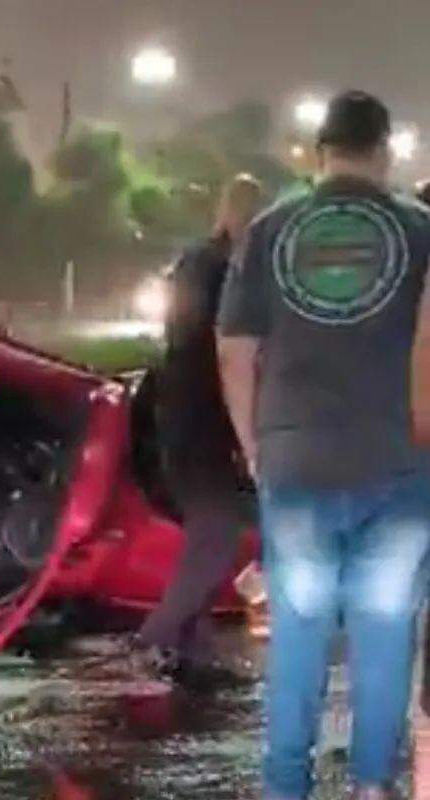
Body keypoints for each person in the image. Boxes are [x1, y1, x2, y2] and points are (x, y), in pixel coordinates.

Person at [219, 90, 430, 800]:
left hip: (294, 455)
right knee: (385, 629)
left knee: (300, 632)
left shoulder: (272, 229)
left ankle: (287, 788)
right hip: (400, 460)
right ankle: (372, 784)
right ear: (385, 150)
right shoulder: (421, 229)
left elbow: (234, 349)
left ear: (319, 153)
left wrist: (254, 444)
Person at [127, 174, 264, 686]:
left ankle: (192, 643)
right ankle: (157, 637)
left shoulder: (197, 263)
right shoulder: (227, 271)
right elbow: (229, 352)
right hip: (202, 417)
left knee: (212, 535)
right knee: (218, 532)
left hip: (181, 412)